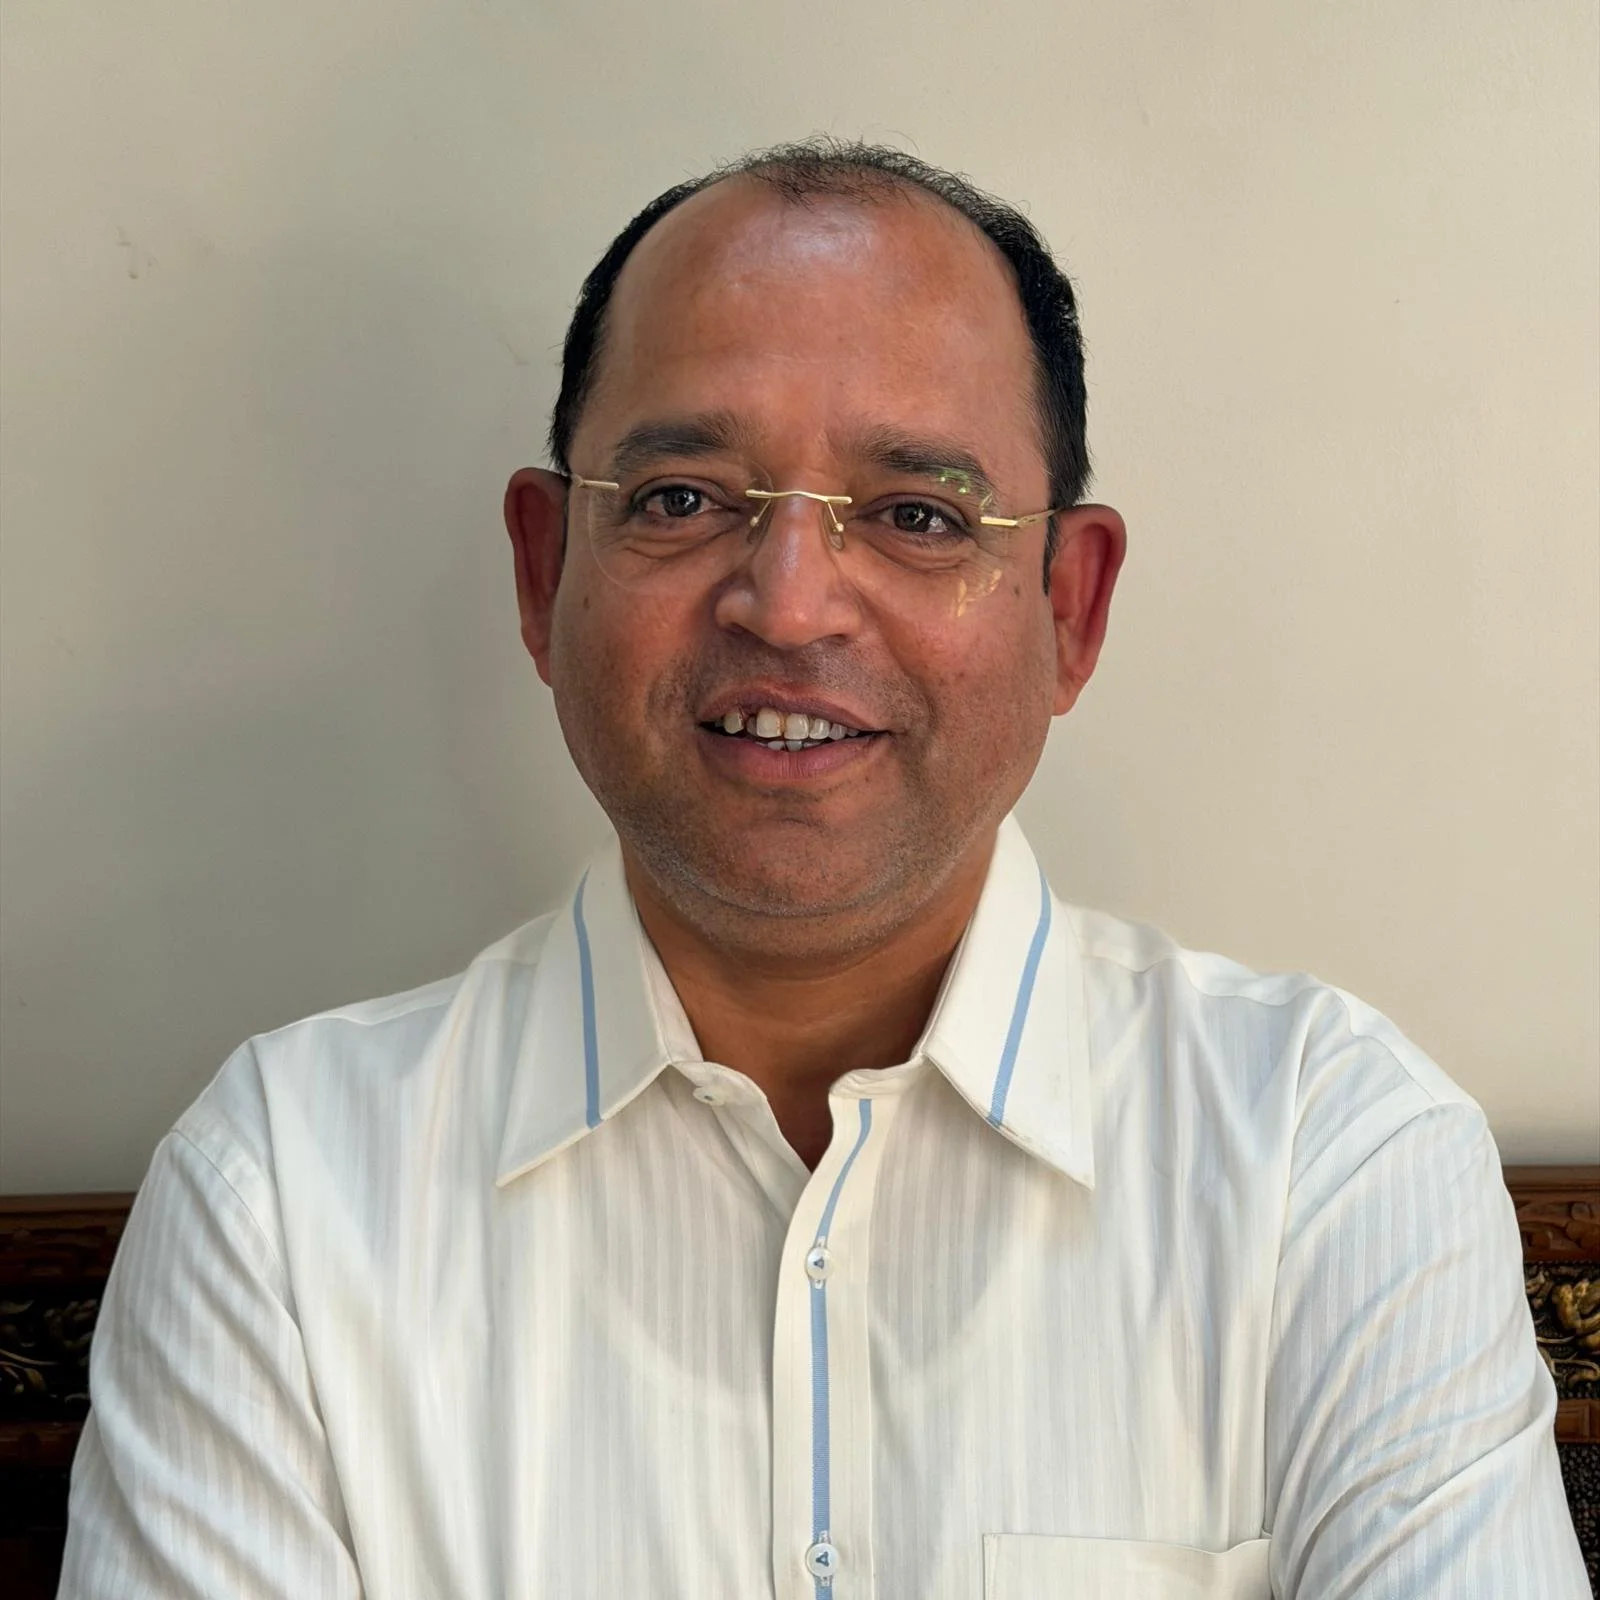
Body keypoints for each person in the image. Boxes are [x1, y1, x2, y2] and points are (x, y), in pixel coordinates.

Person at [61, 139, 1586, 1599]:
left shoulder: (1328, 1165)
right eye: (681, 500)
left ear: (1071, 606)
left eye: (918, 516)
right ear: (543, 576)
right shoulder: (282, 1200)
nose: (788, 606)